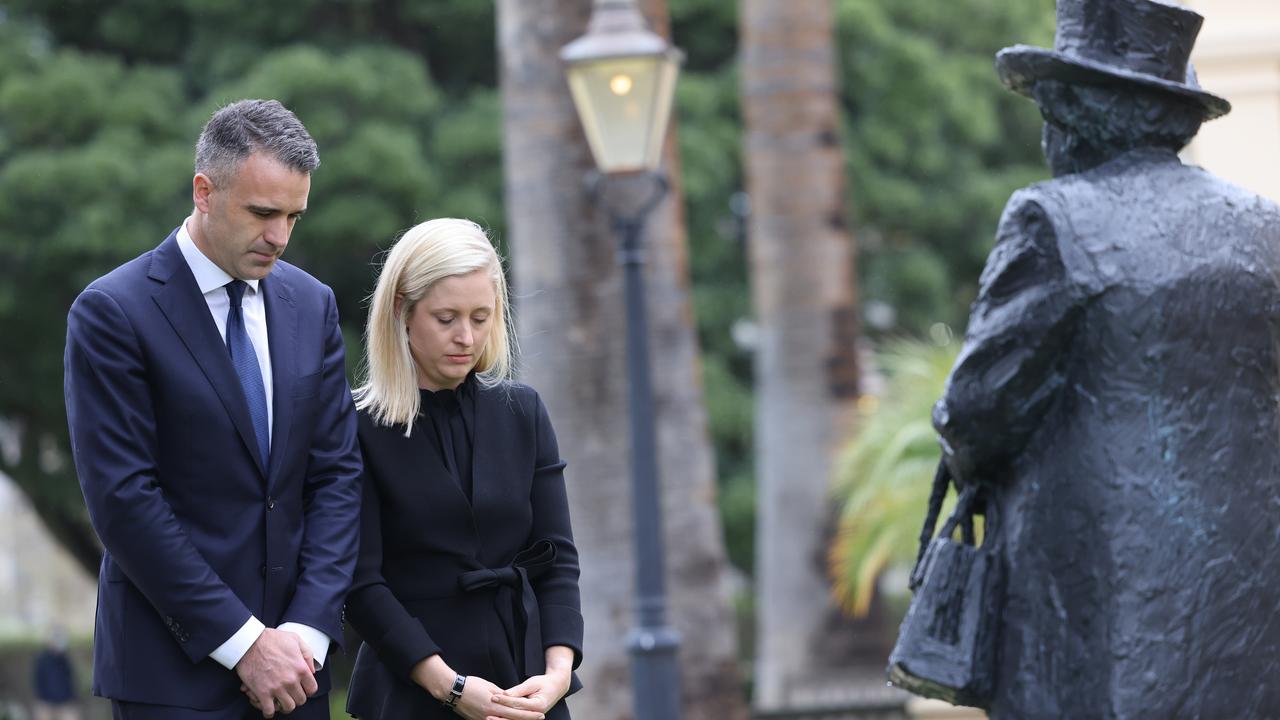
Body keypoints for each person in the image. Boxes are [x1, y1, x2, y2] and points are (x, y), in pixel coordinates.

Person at [931, 0, 1280, 717]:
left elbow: (974, 412)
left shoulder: (1053, 219)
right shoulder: (1263, 229)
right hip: (1247, 595)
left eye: (1051, 107)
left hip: (1091, 597)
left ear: (1077, 115)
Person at [63, 99, 362, 719]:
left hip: (299, 675)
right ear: (204, 191)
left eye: (294, 216)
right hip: (170, 676)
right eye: (262, 212)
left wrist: (305, 634)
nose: (279, 236)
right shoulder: (112, 312)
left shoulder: (314, 304)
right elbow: (125, 501)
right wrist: (247, 645)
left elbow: (336, 476)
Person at [344, 219, 583, 720]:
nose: (466, 337)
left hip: (525, 687)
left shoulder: (523, 411)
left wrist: (557, 674)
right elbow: (361, 584)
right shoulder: (356, 427)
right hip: (411, 689)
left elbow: (556, 558)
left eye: (481, 317)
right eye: (446, 317)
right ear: (401, 313)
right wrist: (447, 686)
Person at [31, 627, 79, 720]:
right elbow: (37, 681)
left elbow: (71, 680)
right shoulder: (42, 659)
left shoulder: (65, 660)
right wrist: (43, 699)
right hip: (46, 703)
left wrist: (71, 698)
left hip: (65, 702)